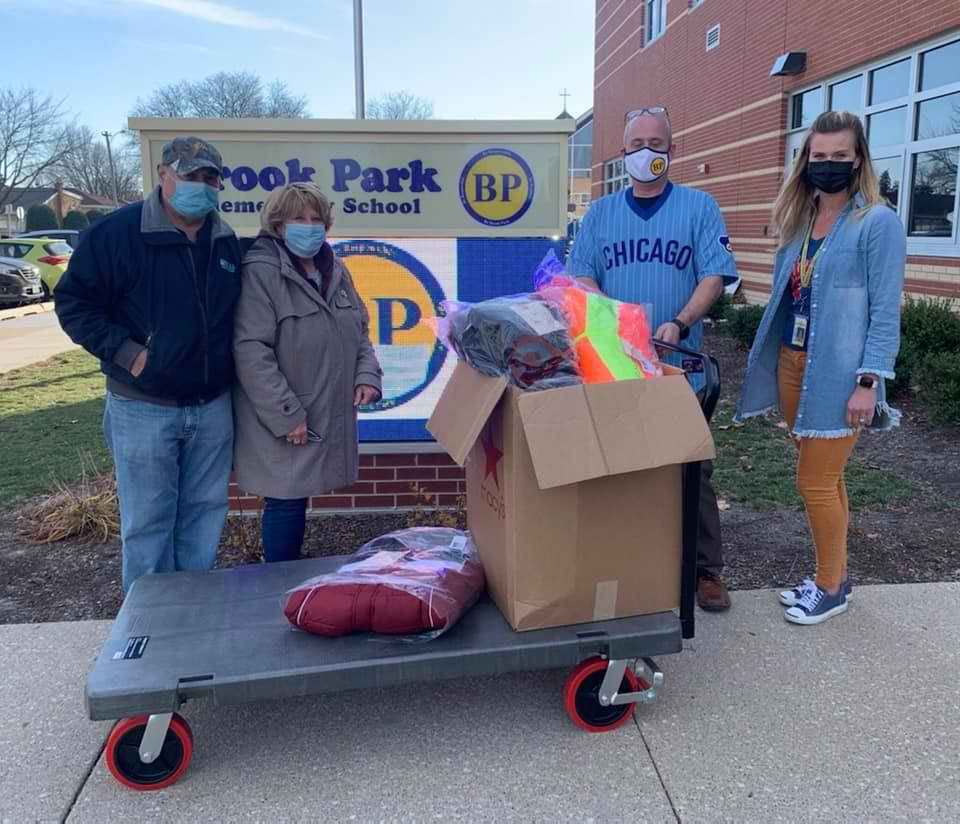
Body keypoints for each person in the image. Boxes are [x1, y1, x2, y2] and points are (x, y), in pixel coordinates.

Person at [567, 105, 739, 612]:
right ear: (623, 154)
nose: (647, 153)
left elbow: (714, 275)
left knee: (691, 464)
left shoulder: (699, 207)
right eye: (637, 144)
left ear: (672, 149)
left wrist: (680, 322)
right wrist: (611, 322)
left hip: (678, 360)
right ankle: (634, 560)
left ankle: (706, 569)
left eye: (656, 143)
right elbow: (581, 275)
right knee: (623, 464)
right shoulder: (600, 214)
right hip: (617, 362)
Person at [737, 111, 905, 625]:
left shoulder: (876, 222)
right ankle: (836, 576)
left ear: (858, 160)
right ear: (805, 158)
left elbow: (884, 309)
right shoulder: (800, 219)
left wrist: (869, 383)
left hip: (839, 375)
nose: (828, 164)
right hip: (793, 365)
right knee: (826, 480)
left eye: (839, 156)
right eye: (819, 155)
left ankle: (830, 587)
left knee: (814, 482)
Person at [55, 137, 241, 593]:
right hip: (143, 406)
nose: (201, 185)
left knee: (204, 515)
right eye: (191, 175)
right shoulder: (116, 234)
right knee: (148, 524)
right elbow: (74, 302)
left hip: (212, 405)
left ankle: (191, 615)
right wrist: (128, 353)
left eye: (209, 178)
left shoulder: (224, 239)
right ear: (163, 174)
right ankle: (149, 630)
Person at [233, 183, 382, 563]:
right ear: (278, 224)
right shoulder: (262, 271)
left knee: (297, 499)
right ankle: (276, 582)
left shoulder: (335, 269)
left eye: (317, 218)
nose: (310, 226)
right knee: (285, 499)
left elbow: (358, 330)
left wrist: (367, 375)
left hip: (325, 406)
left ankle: (292, 578)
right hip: (287, 412)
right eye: (299, 218)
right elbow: (251, 350)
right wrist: (286, 414)